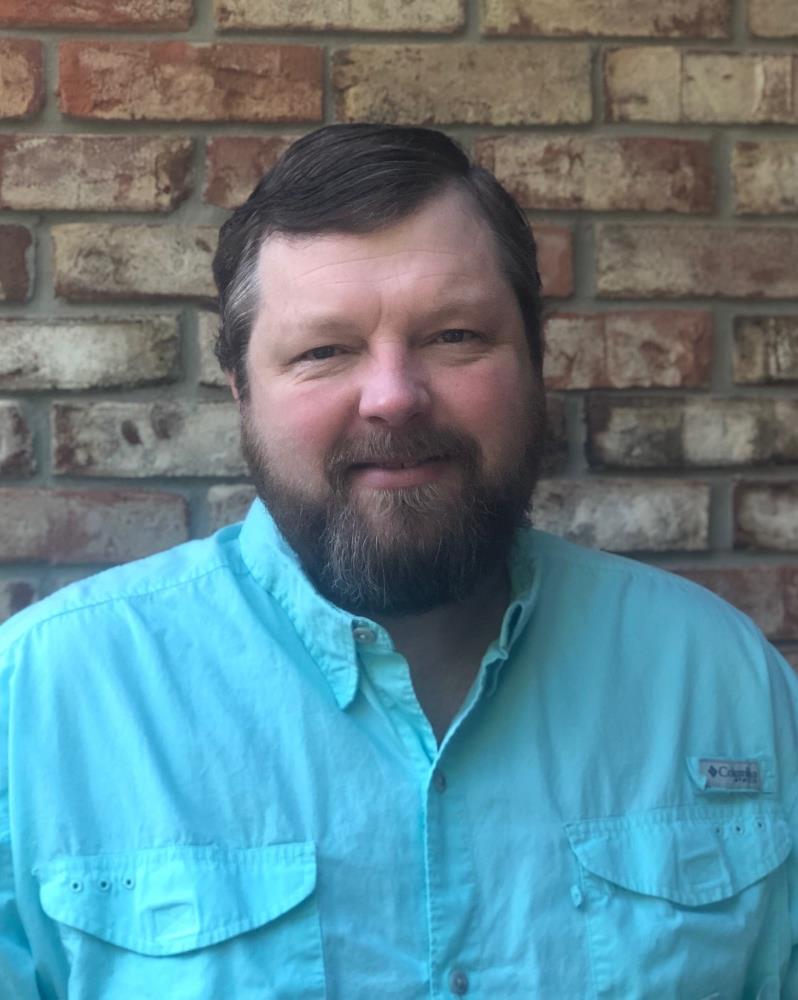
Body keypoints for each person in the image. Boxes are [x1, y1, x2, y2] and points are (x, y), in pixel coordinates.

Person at [0, 124, 796, 999]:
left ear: (537, 359)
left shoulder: (724, 682)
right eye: (324, 351)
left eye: (454, 335)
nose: (392, 396)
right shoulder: (45, 699)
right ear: (240, 390)